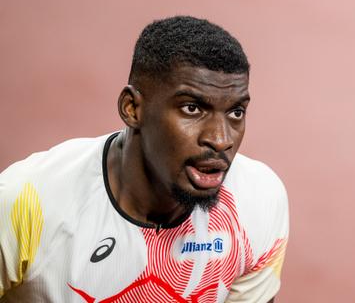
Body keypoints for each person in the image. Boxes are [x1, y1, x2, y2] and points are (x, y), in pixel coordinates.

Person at [0, 16, 288, 302]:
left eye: (236, 112)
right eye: (192, 108)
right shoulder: (28, 203)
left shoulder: (257, 201)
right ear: (132, 108)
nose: (221, 139)